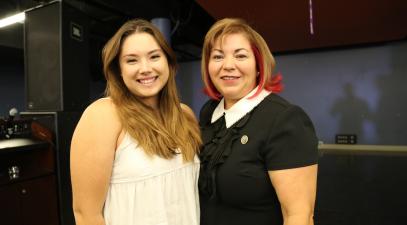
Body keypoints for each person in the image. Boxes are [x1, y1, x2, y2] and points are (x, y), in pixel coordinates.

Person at [70, 19, 202, 225]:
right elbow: (86, 214)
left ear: (168, 62)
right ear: (118, 70)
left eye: (154, 57)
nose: (145, 68)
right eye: (132, 60)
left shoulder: (185, 115)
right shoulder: (103, 115)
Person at [198, 18, 319, 225]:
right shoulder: (208, 112)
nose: (228, 65)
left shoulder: (285, 119)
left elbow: (299, 216)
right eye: (218, 56)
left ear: (258, 66)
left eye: (240, 55)